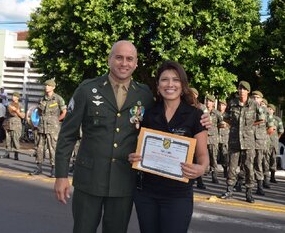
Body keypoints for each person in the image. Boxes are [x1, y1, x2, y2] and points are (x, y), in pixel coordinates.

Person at [54, 41, 210, 233]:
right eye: (119, 57)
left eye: (130, 59)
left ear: (136, 63)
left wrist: (203, 117)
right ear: (109, 60)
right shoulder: (87, 90)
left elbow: (163, 125)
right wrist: (61, 175)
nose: (124, 63)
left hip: (124, 182)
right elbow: (67, 135)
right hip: (89, 180)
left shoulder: (143, 95)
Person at [128, 60, 209, 233]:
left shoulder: (195, 115)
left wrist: (200, 168)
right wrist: (133, 157)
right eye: (164, 80)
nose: (170, 84)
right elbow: (138, 149)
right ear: (158, 86)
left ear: (183, 85)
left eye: (176, 79)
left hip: (178, 195)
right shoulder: (149, 114)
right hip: (146, 194)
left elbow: (203, 156)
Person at [220, 81, 265, 203]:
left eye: (244, 89)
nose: (241, 91)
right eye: (240, 88)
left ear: (248, 91)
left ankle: (249, 193)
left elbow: (261, 119)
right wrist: (234, 126)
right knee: (232, 166)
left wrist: (248, 126)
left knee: (249, 167)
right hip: (234, 140)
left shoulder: (254, 104)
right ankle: (229, 190)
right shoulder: (232, 103)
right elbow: (226, 118)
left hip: (248, 141)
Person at [29, 79, 67, 177]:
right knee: (39, 148)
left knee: (52, 148)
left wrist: (56, 121)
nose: (46, 87)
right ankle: (38, 167)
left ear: (53, 87)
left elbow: (64, 112)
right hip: (42, 127)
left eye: (49, 85)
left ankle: (53, 169)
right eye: (46, 85)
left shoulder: (58, 98)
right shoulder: (42, 99)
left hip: (53, 128)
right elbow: (39, 112)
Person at [190, 87, 208, 189]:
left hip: (198, 136)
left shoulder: (201, 107)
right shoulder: (184, 105)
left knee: (199, 159)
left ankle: (200, 180)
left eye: (194, 94)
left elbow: (206, 120)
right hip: (188, 137)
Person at [1, 92, 25, 160]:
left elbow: (23, 116)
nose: (13, 97)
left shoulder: (21, 106)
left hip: (16, 125)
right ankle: (7, 153)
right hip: (8, 123)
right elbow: (6, 114)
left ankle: (16, 154)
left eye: (15, 96)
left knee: (15, 139)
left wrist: (17, 111)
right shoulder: (9, 105)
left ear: (18, 98)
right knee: (8, 139)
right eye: (13, 96)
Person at [205, 94, 223, 184]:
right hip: (203, 138)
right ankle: (199, 178)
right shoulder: (202, 111)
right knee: (202, 157)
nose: (208, 103)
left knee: (213, 158)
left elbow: (221, 124)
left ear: (213, 103)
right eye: (207, 101)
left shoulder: (217, 113)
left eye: (210, 101)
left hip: (213, 139)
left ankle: (214, 176)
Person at [266, 103, 284, 184]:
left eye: (270, 109)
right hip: (265, 142)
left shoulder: (277, 119)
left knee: (273, 159)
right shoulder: (264, 118)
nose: (269, 110)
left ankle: (272, 176)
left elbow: (281, 131)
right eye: (268, 108)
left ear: (273, 110)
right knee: (265, 159)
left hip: (274, 142)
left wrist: (276, 138)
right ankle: (265, 177)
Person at [217, 99, 230, 178]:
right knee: (215, 154)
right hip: (216, 136)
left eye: (223, 105)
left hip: (225, 137)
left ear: (225, 106)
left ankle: (225, 170)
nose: (221, 106)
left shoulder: (227, 115)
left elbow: (232, 124)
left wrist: (227, 125)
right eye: (219, 104)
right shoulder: (215, 113)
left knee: (225, 154)